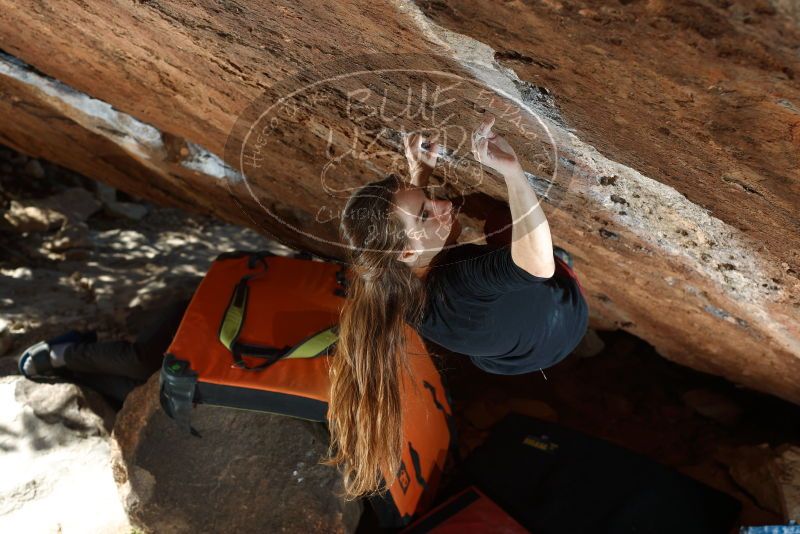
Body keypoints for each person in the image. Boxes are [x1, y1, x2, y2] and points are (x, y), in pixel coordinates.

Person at [325, 112, 589, 499]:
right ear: (407, 251)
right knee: (504, 221)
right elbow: (538, 264)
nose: (443, 203)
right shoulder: (460, 283)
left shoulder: (390, 285)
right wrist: (513, 173)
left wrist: (420, 177)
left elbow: (413, 239)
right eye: (427, 210)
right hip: (563, 318)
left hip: (512, 356)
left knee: (476, 240)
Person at [17, 298, 190, 409]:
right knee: (141, 360)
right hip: (202, 317)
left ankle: (75, 373)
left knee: (145, 394)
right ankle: (66, 353)